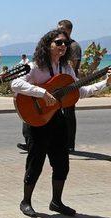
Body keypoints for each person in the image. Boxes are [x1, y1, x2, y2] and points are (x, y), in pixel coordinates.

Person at [11, 29, 110, 217]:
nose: (63, 46)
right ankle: (26, 201)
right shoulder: (35, 67)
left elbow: (79, 91)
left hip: (56, 119)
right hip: (37, 119)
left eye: (66, 43)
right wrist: (41, 93)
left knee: (62, 163)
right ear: (48, 45)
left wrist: (105, 82)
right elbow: (15, 84)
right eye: (59, 42)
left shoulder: (66, 69)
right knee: (35, 162)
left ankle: (56, 202)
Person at [58, 19, 82, 152]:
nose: (59, 31)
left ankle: (69, 144)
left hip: (70, 84)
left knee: (69, 113)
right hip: (59, 84)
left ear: (69, 30)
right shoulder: (61, 44)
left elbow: (74, 65)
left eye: (61, 28)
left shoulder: (74, 46)